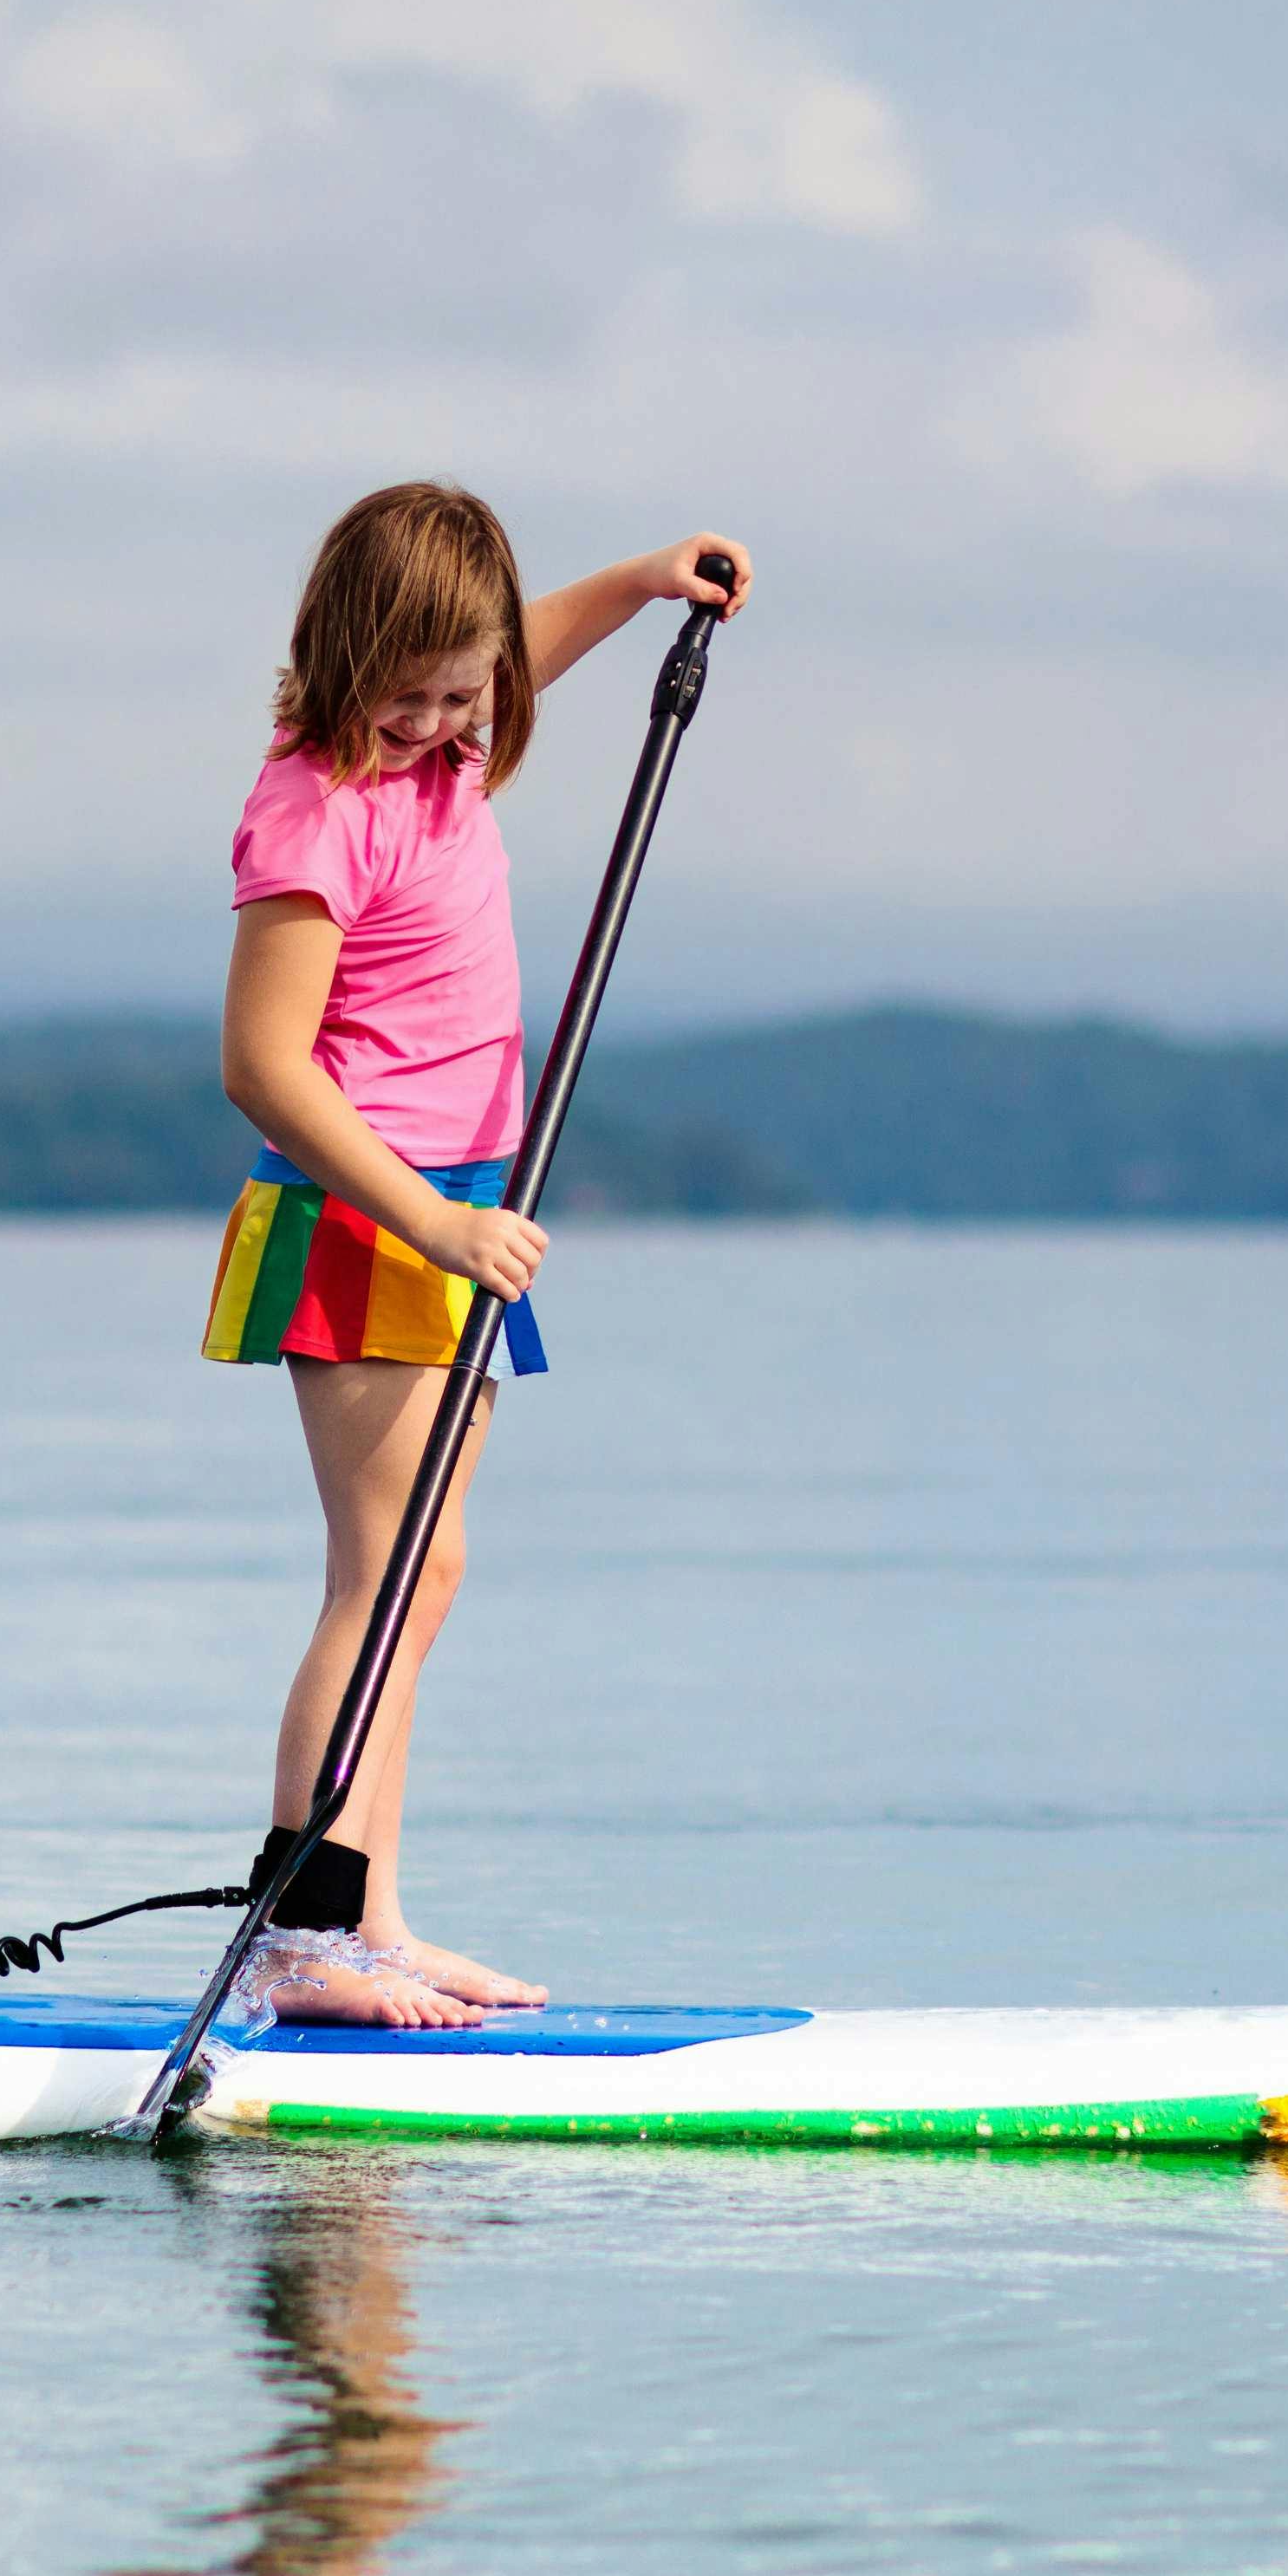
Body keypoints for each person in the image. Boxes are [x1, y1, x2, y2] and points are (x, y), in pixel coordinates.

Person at [200, 482, 749, 2029]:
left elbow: (519, 658)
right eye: (414, 697)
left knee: (420, 1582)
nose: (446, 726)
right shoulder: (316, 801)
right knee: (377, 1583)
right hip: (370, 1217)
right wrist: (429, 1219)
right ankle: (296, 1936)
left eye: (469, 696)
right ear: (342, 654)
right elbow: (262, 1063)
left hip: (460, 1216)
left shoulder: (445, 753)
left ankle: (365, 1917)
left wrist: (644, 584)